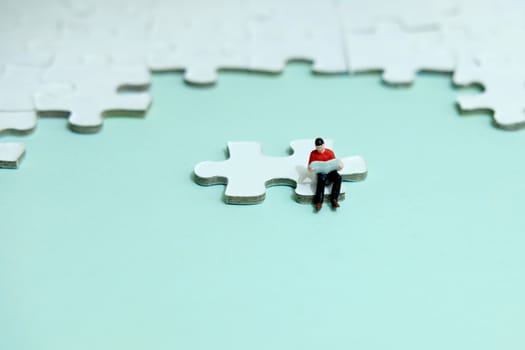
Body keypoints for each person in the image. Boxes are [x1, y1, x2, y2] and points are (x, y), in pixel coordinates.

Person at [308, 137, 343, 211]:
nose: (319, 149)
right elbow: (309, 166)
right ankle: (319, 202)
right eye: (318, 148)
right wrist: (311, 169)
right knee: (321, 180)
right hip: (321, 172)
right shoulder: (313, 153)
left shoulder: (330, 152)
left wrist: (339, 167)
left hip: (331, 171)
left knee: (338, 178)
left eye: (320, 147)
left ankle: (334, 199)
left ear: (323, 145)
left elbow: (335, 164)